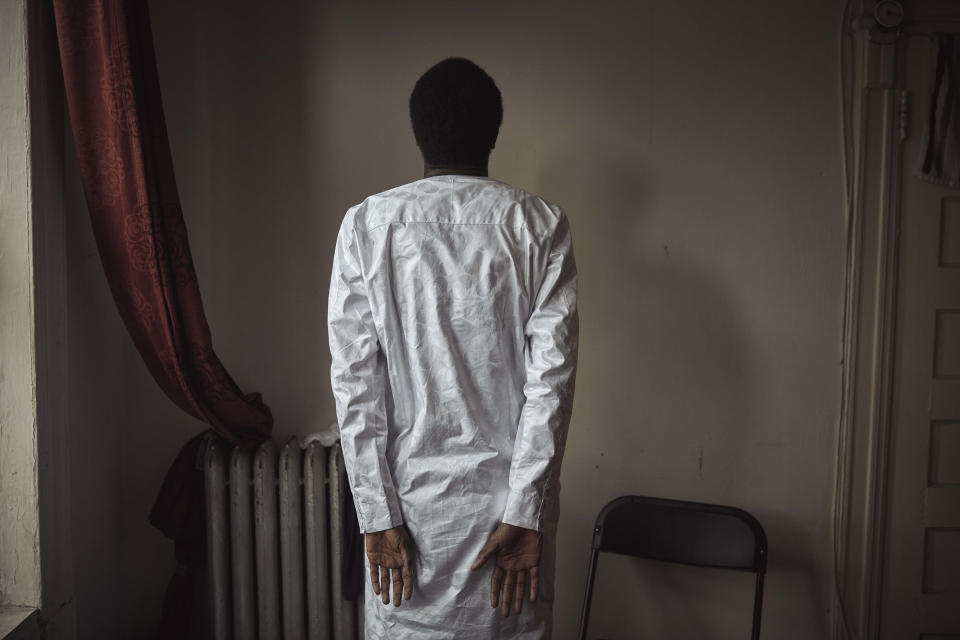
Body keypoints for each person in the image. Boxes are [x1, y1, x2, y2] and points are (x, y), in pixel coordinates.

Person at [327, 56, 579, 639]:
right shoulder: (539, 226)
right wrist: (526, 510)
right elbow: (552, 386)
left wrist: (378, 515)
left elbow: (355, 388)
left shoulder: (367, 226)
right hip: (507, 519)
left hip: (407, 520)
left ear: (418, 132)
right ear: (493, 133)